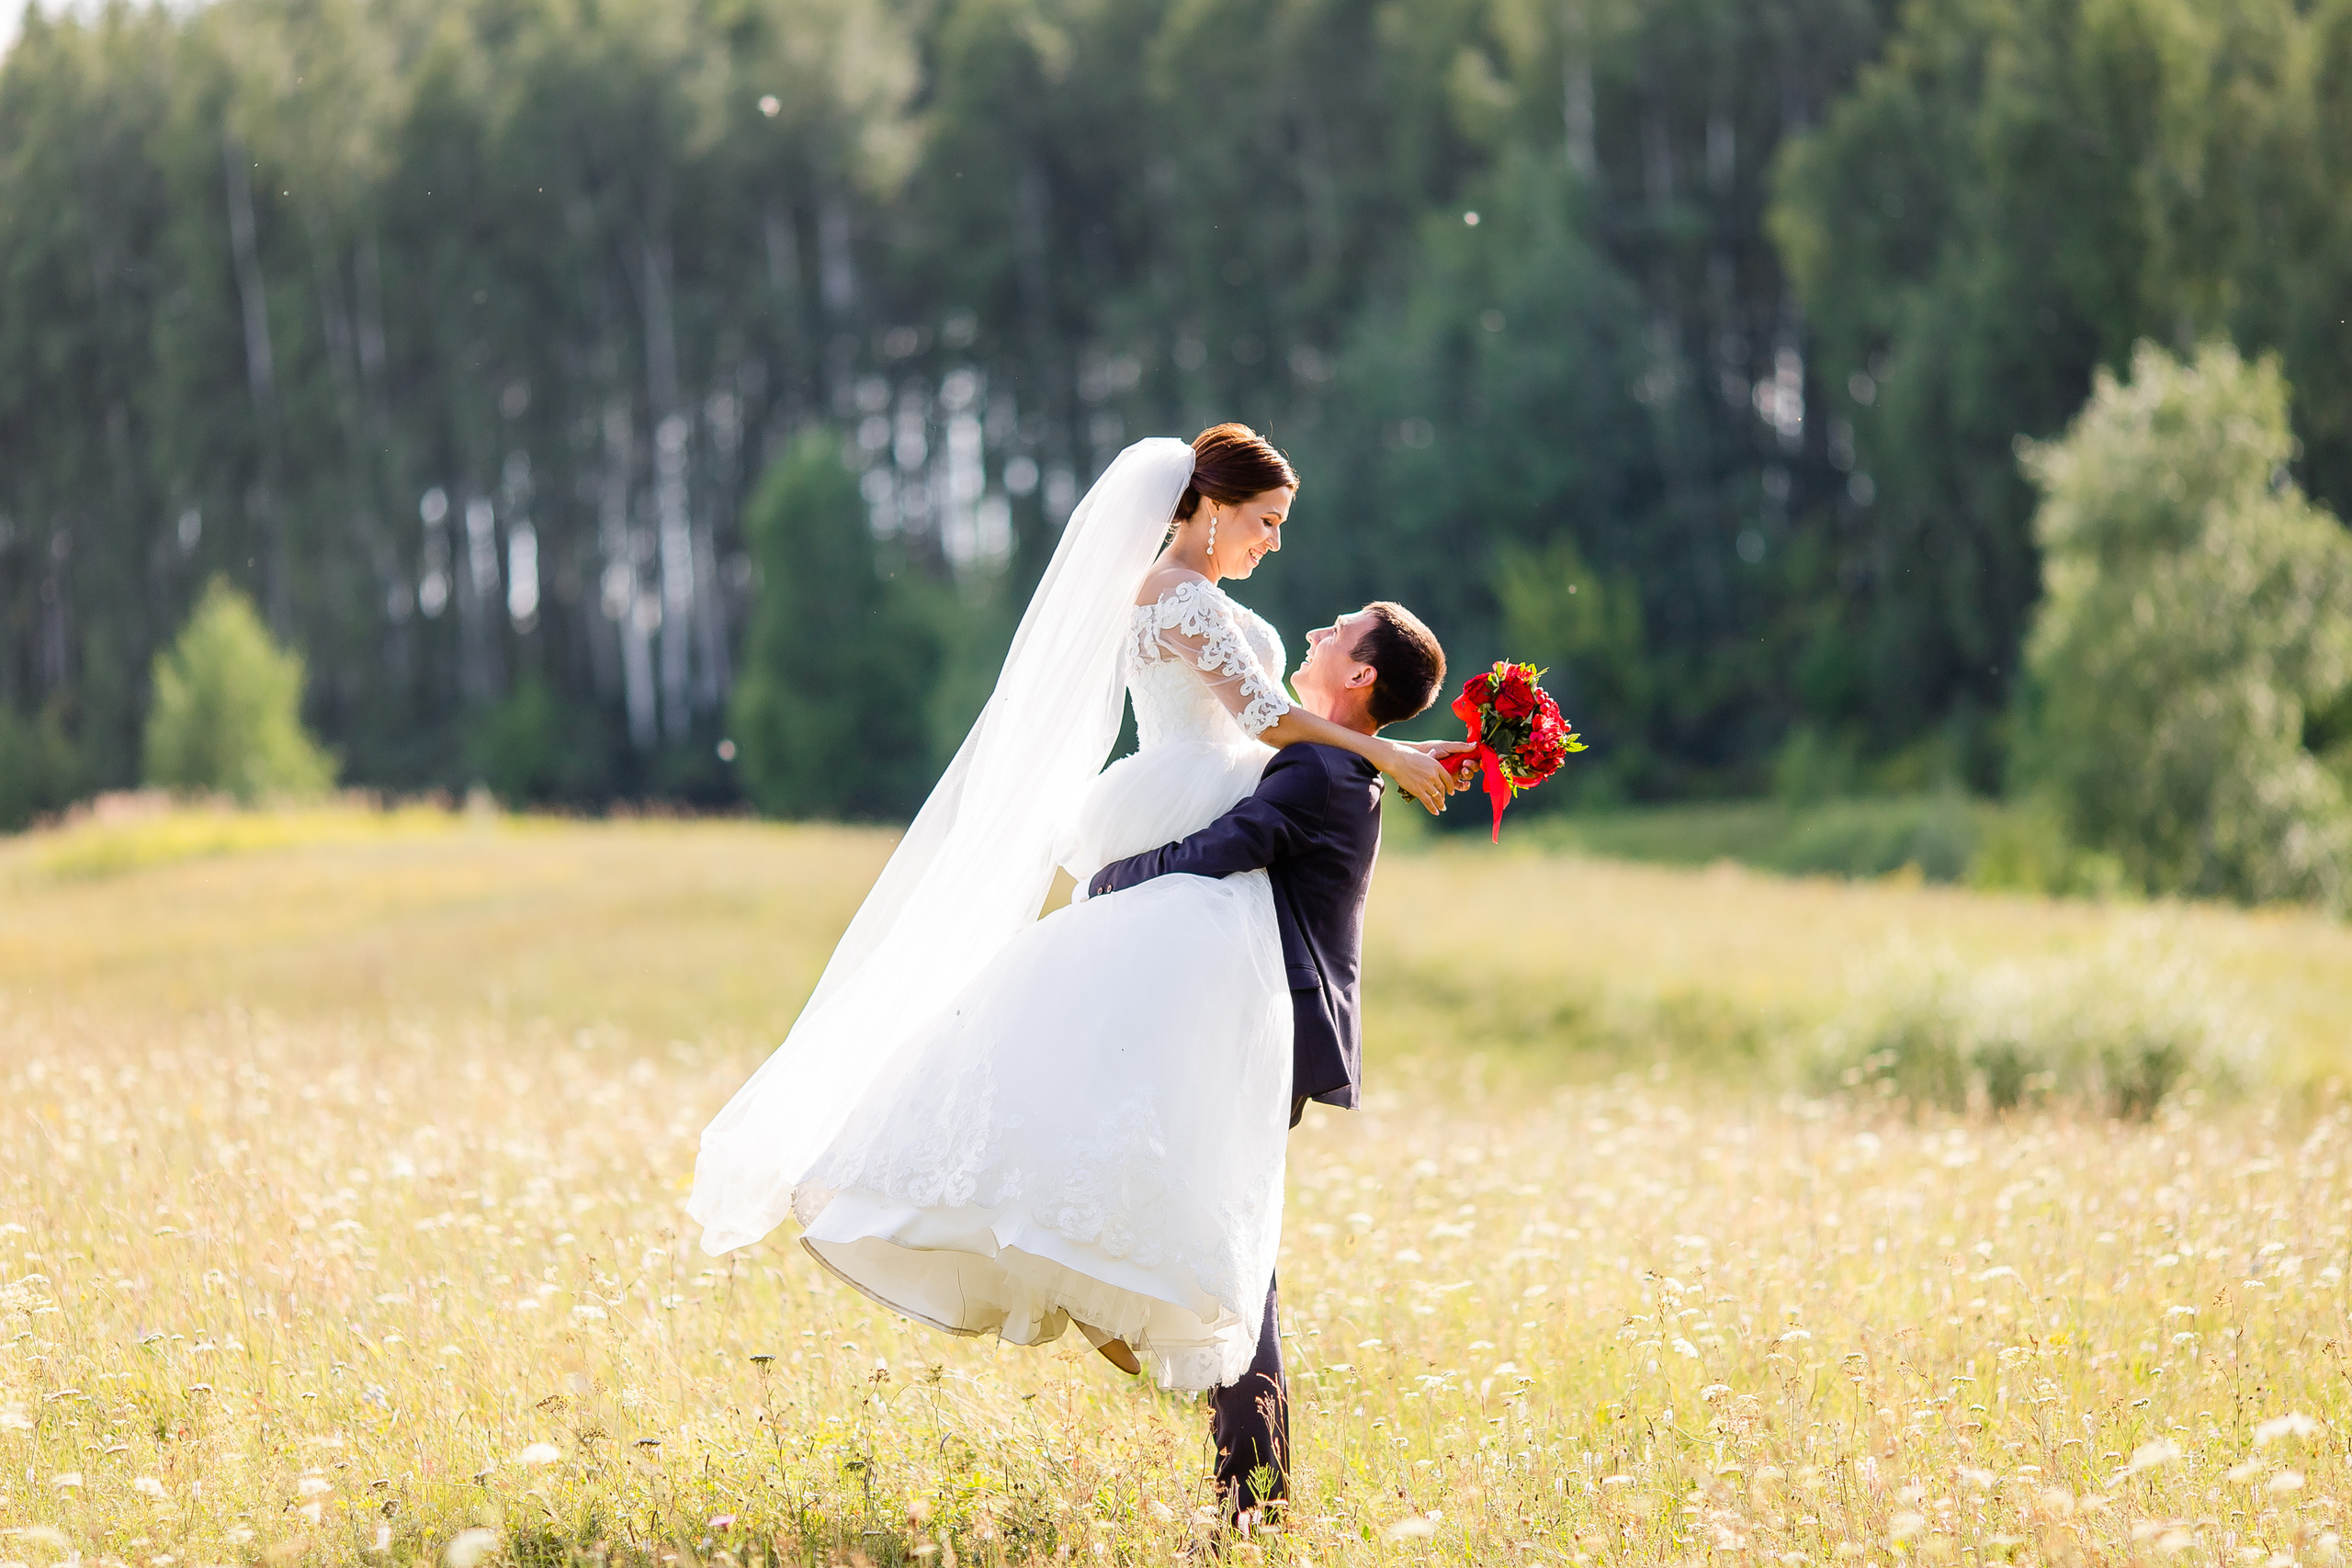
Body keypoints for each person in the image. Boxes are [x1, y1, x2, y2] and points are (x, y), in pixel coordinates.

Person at [687, 428, 1465, 1398]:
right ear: (1213, 507)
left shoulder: (1207, 601)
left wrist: (1391, 739)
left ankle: (1149, 1310)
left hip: (1212, 818)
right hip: (1183, 815)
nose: (1273, 543)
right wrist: (1385, 755)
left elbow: (1297, 723)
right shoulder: (1173, 594)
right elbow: (1267, 720)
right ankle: (1128, 1309)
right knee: (1113, 1077)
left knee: (1158, 1096)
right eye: (1265, 523)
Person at [1084, 597, 1448, 1528]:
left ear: (1360, 675)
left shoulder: (1320, 771)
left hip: (1265, 1032)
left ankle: (1253, 1497)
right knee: (1221, 1238)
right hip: (1259, 1027)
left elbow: (1220, 851)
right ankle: (1234, 1465)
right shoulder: (1332, 760)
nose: (1319, 630)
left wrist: (1104, 878)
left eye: (1341, 630)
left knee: (1238, 1260)